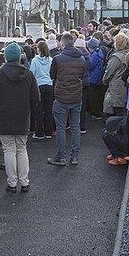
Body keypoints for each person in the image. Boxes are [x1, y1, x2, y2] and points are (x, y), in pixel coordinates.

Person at [0, 42, 40, 193]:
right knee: (22, 149)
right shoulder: (28, 74)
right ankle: (24, 182)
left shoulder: (0, 74)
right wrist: (28, 108)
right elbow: (36, 97)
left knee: (9, 150)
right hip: (22, 116)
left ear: (6, 57)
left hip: (4, 116)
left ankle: (12, 183)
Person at [47, 32, 88, 167]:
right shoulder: (82, 58)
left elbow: (52, 75)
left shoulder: (58, 59)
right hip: (76, 96)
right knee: (75, 127)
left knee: (61, 128)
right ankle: (75, 156)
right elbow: (84, 77)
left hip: (61, 96)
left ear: (63, 44)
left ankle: (61, 157)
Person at [30, 40, 55, 139]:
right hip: (49, 85)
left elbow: (32, 73)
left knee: (39, 110)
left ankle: (39, 132)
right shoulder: (51, 59)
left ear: (38, 49)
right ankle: (49, 132)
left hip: (39, 85)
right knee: (49, 110)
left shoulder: (35, 60)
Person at [102, 33, 129, 116]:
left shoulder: (116, 57)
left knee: (117, 112)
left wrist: (104, 80)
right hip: (126, 86)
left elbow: (109, 72)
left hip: (117, 87)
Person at [85, 37, 106, 118]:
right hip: (97, 78)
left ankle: (96, 113)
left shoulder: (94, 55)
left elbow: (90, 66)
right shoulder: (99, 52)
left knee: (93, 97)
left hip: (92, 79)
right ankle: (97, 112)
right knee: (96, 96)